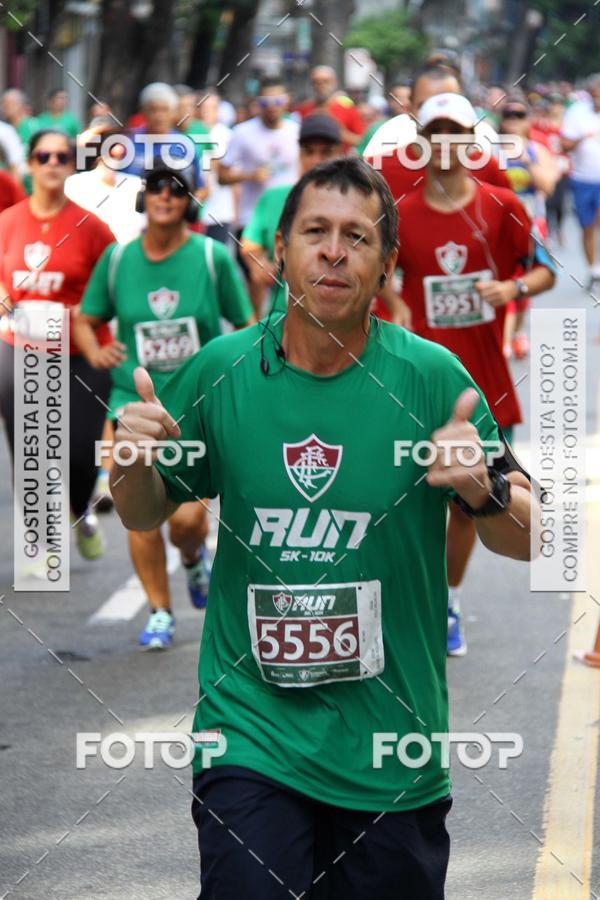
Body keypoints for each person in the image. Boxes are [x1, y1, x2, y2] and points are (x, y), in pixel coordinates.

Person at [110, 156, 537, 899]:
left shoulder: (433, 378)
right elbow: (144, 510)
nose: (334, 252)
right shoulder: (220, 370)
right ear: (280, 249)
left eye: (357, 237)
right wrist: (129, 460)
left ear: (387, 264)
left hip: (391, 749)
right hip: (251, 734)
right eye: (315, 232)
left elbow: (535, 537)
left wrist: (485, 488)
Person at [394, 94, 555, 655]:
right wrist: (397, 306)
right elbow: (381, 278)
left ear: (472, 140)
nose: (445, 142)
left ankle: (448, 600)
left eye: (455, 132)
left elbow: (543, 272)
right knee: (410, 497)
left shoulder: (502, 205)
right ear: (421, 142)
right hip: (414, 383)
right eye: (435, 131)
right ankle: (410, 596)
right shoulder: (400, 212)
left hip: (484, 383)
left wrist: (512, 288)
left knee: (470, 500)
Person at [74, 161, 254, 649]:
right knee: (138, 509)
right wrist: (96, 352)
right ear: (143, 198)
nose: (165, 197)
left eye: (176, 189)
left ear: (189, 201)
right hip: (130, 406)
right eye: (156, 188)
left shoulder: (212, 258)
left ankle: (193, 558)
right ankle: (159, 611)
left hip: (195, 407)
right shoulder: (118, 259)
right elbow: (86, 319)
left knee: (188, 523)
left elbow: (246, 324)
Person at [0, 129, 115, 559]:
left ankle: (80, 508)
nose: (52, 164)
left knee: (80, 455)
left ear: (72, 166)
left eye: (62, 157)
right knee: (31, 450)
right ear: (30, 164)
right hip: (19, 347)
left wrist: (89, 311)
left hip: (81, 353)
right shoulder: (8, 222)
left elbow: (116, 281)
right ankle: (44, 541)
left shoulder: (91, 227)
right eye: (44, 156)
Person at [218, 75, 299, 315]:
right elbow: (222, 175)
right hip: (251, 219)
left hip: (289, 218)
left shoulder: (297, 131)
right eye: (265, 102)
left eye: (278, 101)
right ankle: (257, 329)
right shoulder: (242, 133)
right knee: (257, 280)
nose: (272, 107)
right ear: (257, 102)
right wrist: (249, 175)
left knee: (292, 280)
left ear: (287, 101)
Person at [240, 114, 343, 300]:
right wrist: (258, 263)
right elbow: (249, 244)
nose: (316, 161)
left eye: (326, 152)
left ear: (340, 153)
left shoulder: (354, 204)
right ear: (299, 154)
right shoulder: (274, 198)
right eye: (309, 152)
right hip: (284, 312)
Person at [499, 95, 558, 359]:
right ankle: (504, 340)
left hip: (532, 224)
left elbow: (548, 186)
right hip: (500, 224)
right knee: (507, 277)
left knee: (524, 281)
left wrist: (525, 160)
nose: (513, 120)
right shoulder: (489, 150)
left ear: (528, 119)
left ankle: (517, 332)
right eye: (508, 115)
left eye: (519, 115)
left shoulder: (537, 150)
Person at [122, 82, 206, 209]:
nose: (159, 116)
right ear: (143, 111)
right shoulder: (129, 142)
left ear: (173, 113)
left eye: (164, 110)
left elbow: (200, 188)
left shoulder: (184, 146)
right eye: (153, 110)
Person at [560, 73, 600, 291]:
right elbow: (564, 145)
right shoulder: (576, 112)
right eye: (595, 96)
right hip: (582, 178)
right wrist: (581, 138)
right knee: (587, 227)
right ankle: (593, 270)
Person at [198, 90, 237, 245]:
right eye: (204, 107)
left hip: (220, 209)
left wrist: (236, 209)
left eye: (212, 108)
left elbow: (233, 175)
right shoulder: (192, 132)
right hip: (197, 210)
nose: (207, 112)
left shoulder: (227, 135)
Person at [296, 65, 365, 150]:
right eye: (315, 82)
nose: (320, 85)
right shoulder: (303, 109)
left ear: (334, 83)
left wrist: (340, 132)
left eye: (325, 81)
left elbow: (361, 141)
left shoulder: (348, 109)